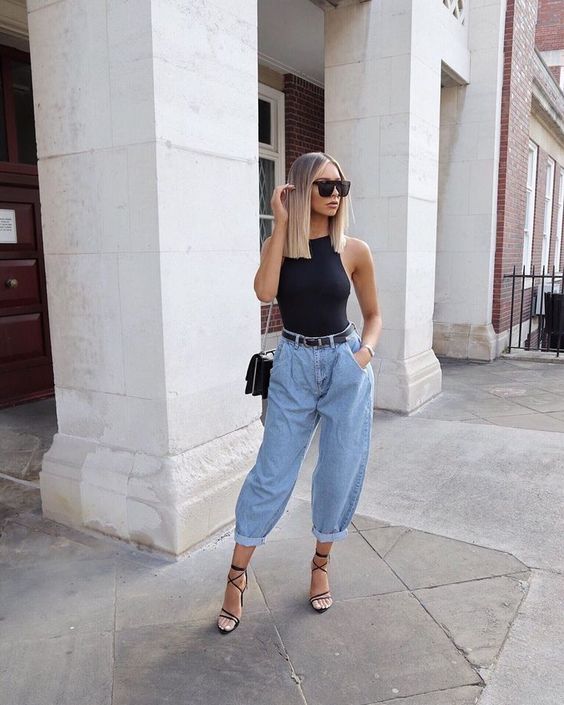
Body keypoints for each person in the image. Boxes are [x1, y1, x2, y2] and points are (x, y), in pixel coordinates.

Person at [217, 151, 382, 633]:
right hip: (292, 365)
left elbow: (374, 316)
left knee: (339, 466)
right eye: (326, 187)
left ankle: (320, 565)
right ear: (300, 188)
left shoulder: (354, 250)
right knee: (272, 472)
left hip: (344, 363)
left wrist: (363, 357)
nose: (336, 196)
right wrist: (279, 222)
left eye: (342, 188)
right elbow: (264, 292)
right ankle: (236, 576)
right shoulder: (281, 246)